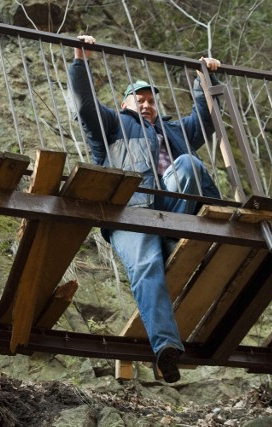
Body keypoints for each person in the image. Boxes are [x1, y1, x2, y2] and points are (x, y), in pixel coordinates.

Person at [68, 35, 222, 383]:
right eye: (140, 99)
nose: (147, 105)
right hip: (131, 211)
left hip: (173, 206)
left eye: (152, 100)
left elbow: (206, 119)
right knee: (146, 266)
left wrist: (205, 80)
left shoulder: (174, 129)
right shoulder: (112, 126)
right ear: (125, 104)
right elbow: (85, 105)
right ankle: (166, 348)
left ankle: (192, 234)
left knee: (187, 165)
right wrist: (81, 60)